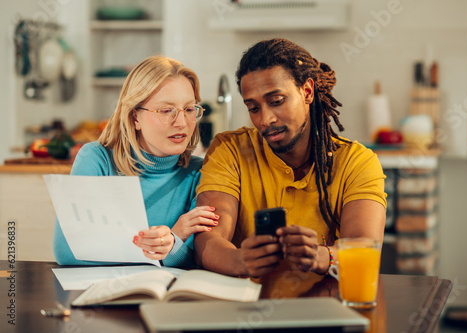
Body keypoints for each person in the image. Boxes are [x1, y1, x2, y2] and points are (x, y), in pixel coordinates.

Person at [194, 38, 387, 277]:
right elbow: (209, 237)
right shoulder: (230, 150)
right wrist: (239, 260)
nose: (265, 120)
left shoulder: (356, 162)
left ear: (307, 91)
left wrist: (320, 256)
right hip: (247, 305)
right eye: (253, 108)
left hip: (326, 305)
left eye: (276, 102)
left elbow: (365, 248)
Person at [53, 55, 218, 267]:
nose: (182, 122)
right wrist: (169, 240)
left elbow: (196, 261)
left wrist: (171, 245)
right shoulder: (96, 159)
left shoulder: (199, 173)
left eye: (189, 109)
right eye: (166, 111)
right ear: (134, 117)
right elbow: (66, 251)